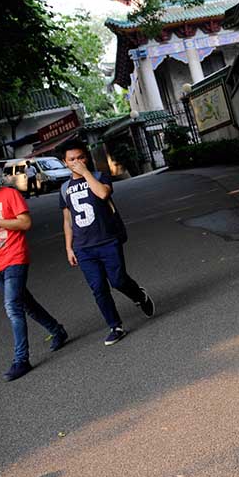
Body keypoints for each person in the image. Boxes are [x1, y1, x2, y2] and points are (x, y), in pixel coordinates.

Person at [0, 161, 69, 381]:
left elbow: (25, 223)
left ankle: (21, 360)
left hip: (15, 258)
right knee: (26, 304)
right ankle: (57, 330)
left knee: (13, 307)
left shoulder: (10, 195)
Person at [58, 139, 154, 345]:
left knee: (118, 281)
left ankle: (138, 295)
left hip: (108, 240)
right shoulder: (64, 188)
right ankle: (115, 326)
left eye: (81, 157)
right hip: (83, 247)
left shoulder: (100, 177)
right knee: (98, 288)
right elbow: (67, 220)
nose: (77, 162)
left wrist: (85, 173)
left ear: (87, 158)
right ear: (65, 162)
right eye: (72, 159)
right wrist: (68, 247)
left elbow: (102, 194)